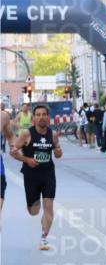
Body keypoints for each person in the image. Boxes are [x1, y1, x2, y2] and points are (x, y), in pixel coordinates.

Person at [10, 104, 62, 250]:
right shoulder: (27, 134)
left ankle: (44, 238)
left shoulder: (53, 135)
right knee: (34, 211)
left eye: (44, 114)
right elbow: (13, 152)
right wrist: (27, 160)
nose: (41, 117)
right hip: (31, 176)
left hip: (48, 174)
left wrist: (58, 152)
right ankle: (38, 211)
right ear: (34, 118)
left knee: (48, 206)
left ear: (48, 117)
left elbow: (58, 152)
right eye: (38, 115)